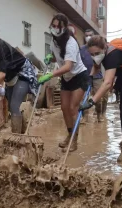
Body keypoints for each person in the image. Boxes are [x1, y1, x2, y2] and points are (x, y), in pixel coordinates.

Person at [38, 13, 91, 152]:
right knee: (64, 107)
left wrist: (50, 75)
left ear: (65, 28)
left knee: (73, 108)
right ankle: (69, 134)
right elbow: (60, 58)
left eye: (58, 26)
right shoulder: (54, 40)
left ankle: (74, 139)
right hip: (67, 78)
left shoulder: (71, 43)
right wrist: (52, 58)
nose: (55, 28)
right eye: (53, 26)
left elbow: (68, 66)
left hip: (79, 76)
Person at [0, 23, 38, 134]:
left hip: (23, 73)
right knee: (11, 106)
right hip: (11, 75)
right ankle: (23, 132)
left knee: (15, 105)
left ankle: (16, 138)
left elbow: (2, 74)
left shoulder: (2, 48)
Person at [80, 29, 108, 123]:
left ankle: (99, 116)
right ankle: (85, 117)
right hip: (85, 76)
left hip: (98, 77)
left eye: (90, 35)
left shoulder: (100, 49)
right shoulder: (82, 49)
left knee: (98, 98)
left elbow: (98, 65)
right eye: (86, 35)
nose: (88, 37)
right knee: (84, 98)